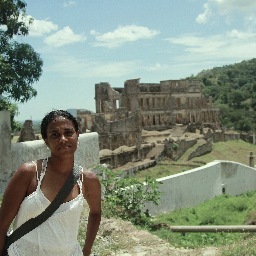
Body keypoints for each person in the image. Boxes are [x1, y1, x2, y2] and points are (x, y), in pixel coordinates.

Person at [0, 110, 101, 256]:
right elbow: (2, 226)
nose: (63, 139)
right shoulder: (29, 173)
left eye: (68, 132)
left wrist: (87, 250)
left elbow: (96, 213)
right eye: (55, 134)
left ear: (77, 135)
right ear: (46, 141)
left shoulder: (88, 180)